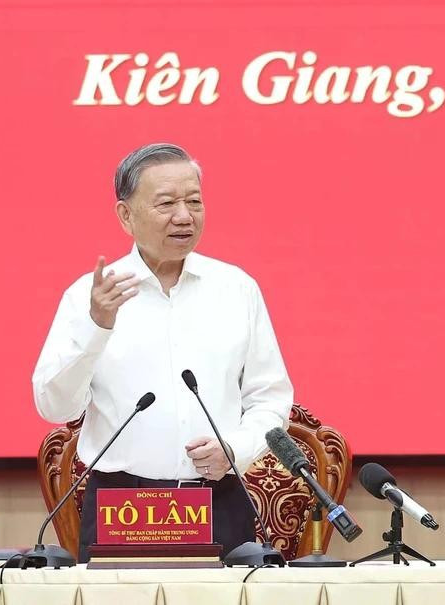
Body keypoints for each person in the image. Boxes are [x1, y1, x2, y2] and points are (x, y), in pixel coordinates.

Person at [32, 143, 293, 562]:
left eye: (194, 201)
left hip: (218, 500)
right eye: (167, 203)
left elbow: (270, 397)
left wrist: (235, 449)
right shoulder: (89, 295)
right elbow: (53, 404)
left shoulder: (236, 289)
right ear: (126, 215)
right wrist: (96, 325)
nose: (184, 216)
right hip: (121, 507)